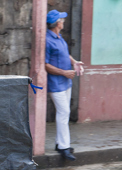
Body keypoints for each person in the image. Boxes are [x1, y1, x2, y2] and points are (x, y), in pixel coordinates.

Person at [45, 10, 83, 161]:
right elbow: (45, 64)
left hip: (66, 82)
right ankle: (64, 147)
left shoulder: (59, 38)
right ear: (57, 23)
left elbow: (64, 53)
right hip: (56, 83)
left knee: (63, 114)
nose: (64, 22)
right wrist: (64, 72)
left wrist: (74, 62)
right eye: (62, 20)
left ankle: (60, 143)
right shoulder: (48, 40)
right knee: (64, 113)